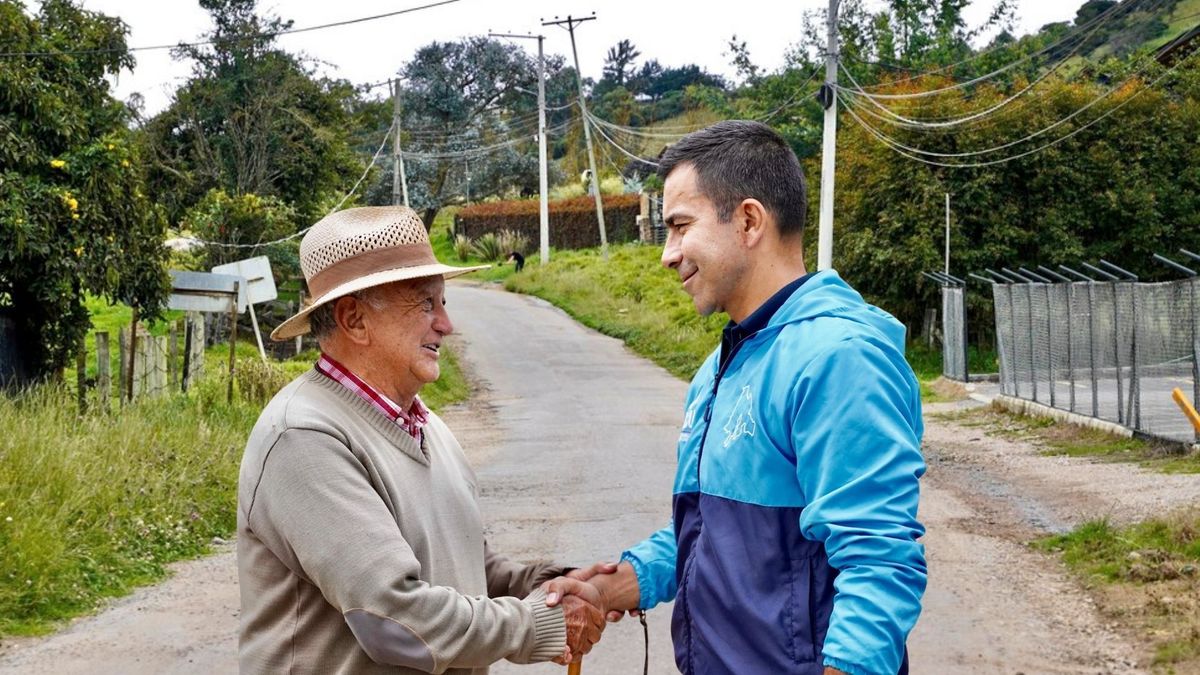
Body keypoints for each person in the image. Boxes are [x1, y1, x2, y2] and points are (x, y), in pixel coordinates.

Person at [569, 121, 927, 674]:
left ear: (749, 220)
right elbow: (719, 535)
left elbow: (879, 563)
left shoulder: (839, 357)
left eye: (679, 226)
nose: (668, 254)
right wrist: (615, 585)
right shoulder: (724, 362)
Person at [237, 206, 606, 674]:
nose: (446, 324)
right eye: (425, 304)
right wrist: (537, 623)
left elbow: (465, 566)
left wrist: (547, 585)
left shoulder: (426, 426)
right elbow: (393, 619)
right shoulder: (304, 437)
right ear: (354, 319)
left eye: (443, 302)